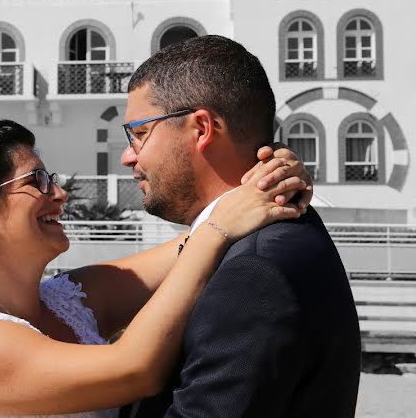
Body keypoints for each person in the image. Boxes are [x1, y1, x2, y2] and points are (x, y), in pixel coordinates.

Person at [0, 117, 312, 417]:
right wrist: (219, 227)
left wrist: (266, 179)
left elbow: (190, 247)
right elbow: (135, 369)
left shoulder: (73, 297)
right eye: (36, 181)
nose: (59, 194)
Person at [122, 35, 360, 418]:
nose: (127, 156)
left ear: (201, 128)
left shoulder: (254, 269)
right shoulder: (254, 240)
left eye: (138, 133)